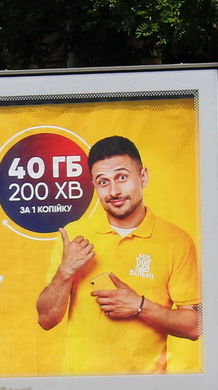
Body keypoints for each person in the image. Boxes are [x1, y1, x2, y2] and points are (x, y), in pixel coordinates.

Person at [35, 135, 201, 374]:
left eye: (122, 177)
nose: (114, 191)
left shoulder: (177, 240)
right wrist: (66, 270)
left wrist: (139, 305)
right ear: (94, 185)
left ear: (143, 177)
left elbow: (195, 326)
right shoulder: (74, 236)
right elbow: (46, 320)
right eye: (103, 182)